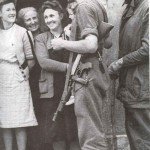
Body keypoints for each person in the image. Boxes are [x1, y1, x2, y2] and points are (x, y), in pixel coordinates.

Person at [51, 0, 112, 149]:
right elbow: (108, 42)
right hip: (95, 72)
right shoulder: (97, 5)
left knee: (90, 137)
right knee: (96, 131)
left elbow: (91, 45)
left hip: (85, 75)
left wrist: (62, 43)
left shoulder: (83, 7)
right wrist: (75, 32)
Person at [34, 1, 79, 150]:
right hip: (51, 92)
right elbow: (44, 63)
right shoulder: (41, 38)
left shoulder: (71, 35)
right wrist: (70, 67)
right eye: (46, 17)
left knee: (73, 131)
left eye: (52, 15)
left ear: (60, 16)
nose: (49, 20)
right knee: (56, 132)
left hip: (72, 89)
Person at [108, 0, 149, 149]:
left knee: (143, 140)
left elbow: (148, 49)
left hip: (142, 88)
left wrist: (120, 62)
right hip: (132, 88)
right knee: (137, 139)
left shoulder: (147, 7)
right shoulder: (131, 7)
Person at [0, 0, 38, 150]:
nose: (11, 12)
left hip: (18, 77)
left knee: (20, 119)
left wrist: (24, 73)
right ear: (0, 13)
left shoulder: (23, 32)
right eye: (7, 10)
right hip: (2, 79)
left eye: (13, 9)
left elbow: (31, 59)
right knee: (5, 120)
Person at [17, 7, 41, 150]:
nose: (32, 22)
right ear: (23, 23)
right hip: (28, 81)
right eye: (28, 20)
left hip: (45, 81)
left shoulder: (46, 34)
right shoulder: (20, 37)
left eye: (34, 18)